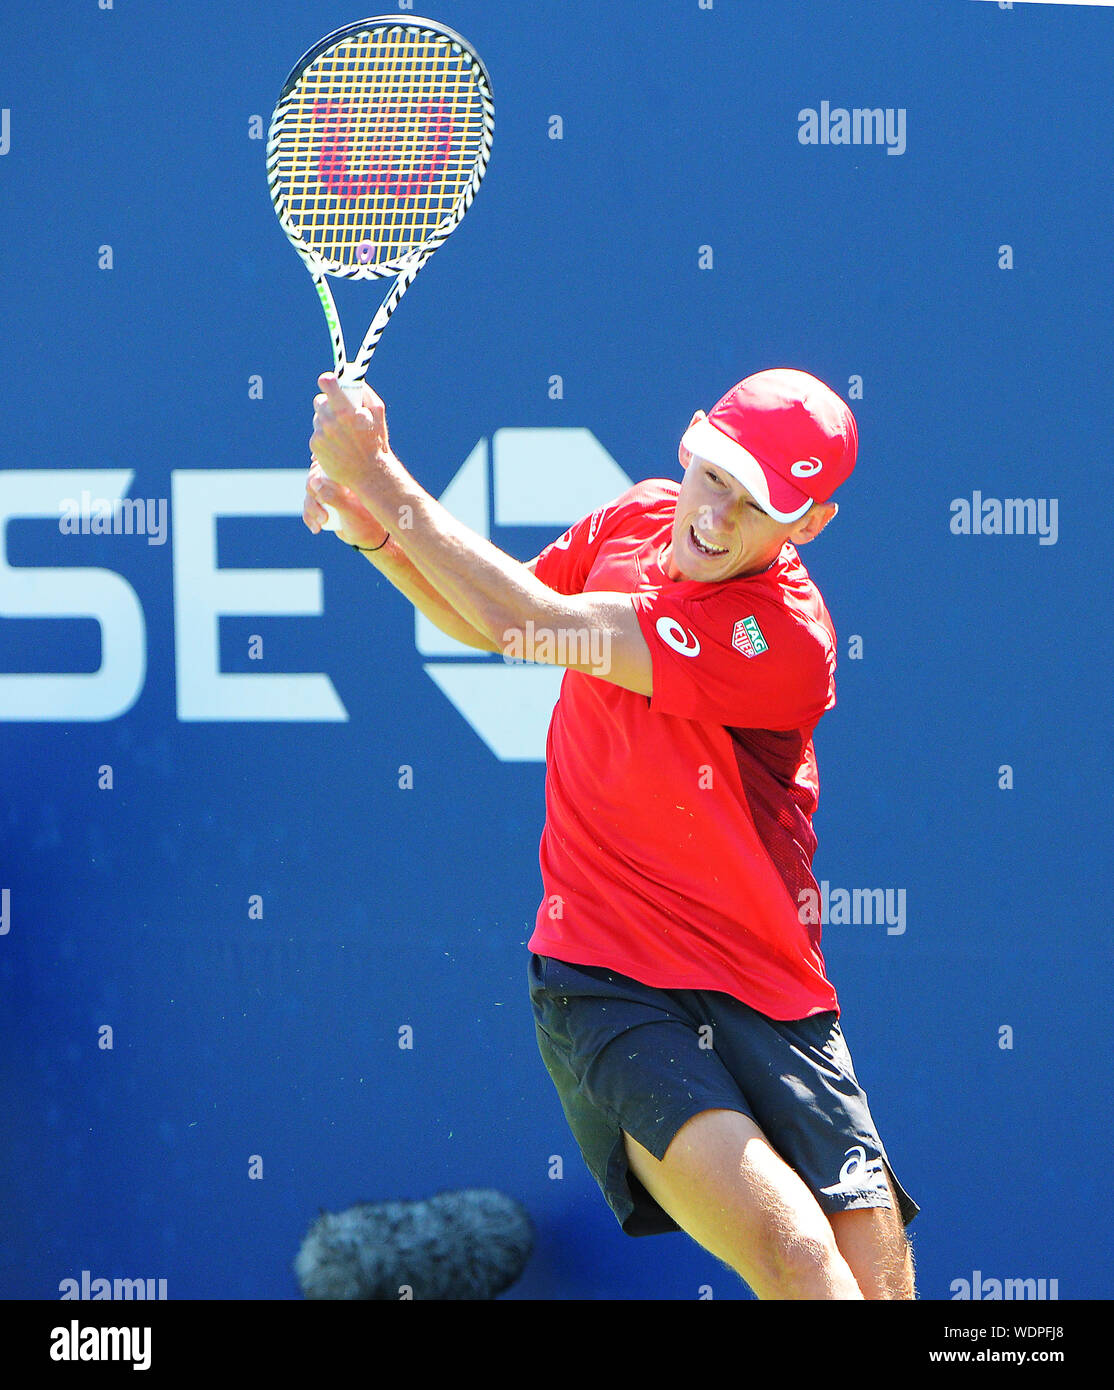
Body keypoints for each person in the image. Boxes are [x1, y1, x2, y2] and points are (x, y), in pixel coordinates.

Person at [303, 366, 918, 1300]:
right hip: (610, 979)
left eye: (757, 505)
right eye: (716, 476)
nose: (717, 516)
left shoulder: (784, 641)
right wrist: (378, 533)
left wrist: (383, 472)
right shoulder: (634, 516)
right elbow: (488, 622)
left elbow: (529, 622)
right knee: (798, 1261)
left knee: (875, 1285)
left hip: (771, 990)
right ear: (691, 441)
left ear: (808, 524)